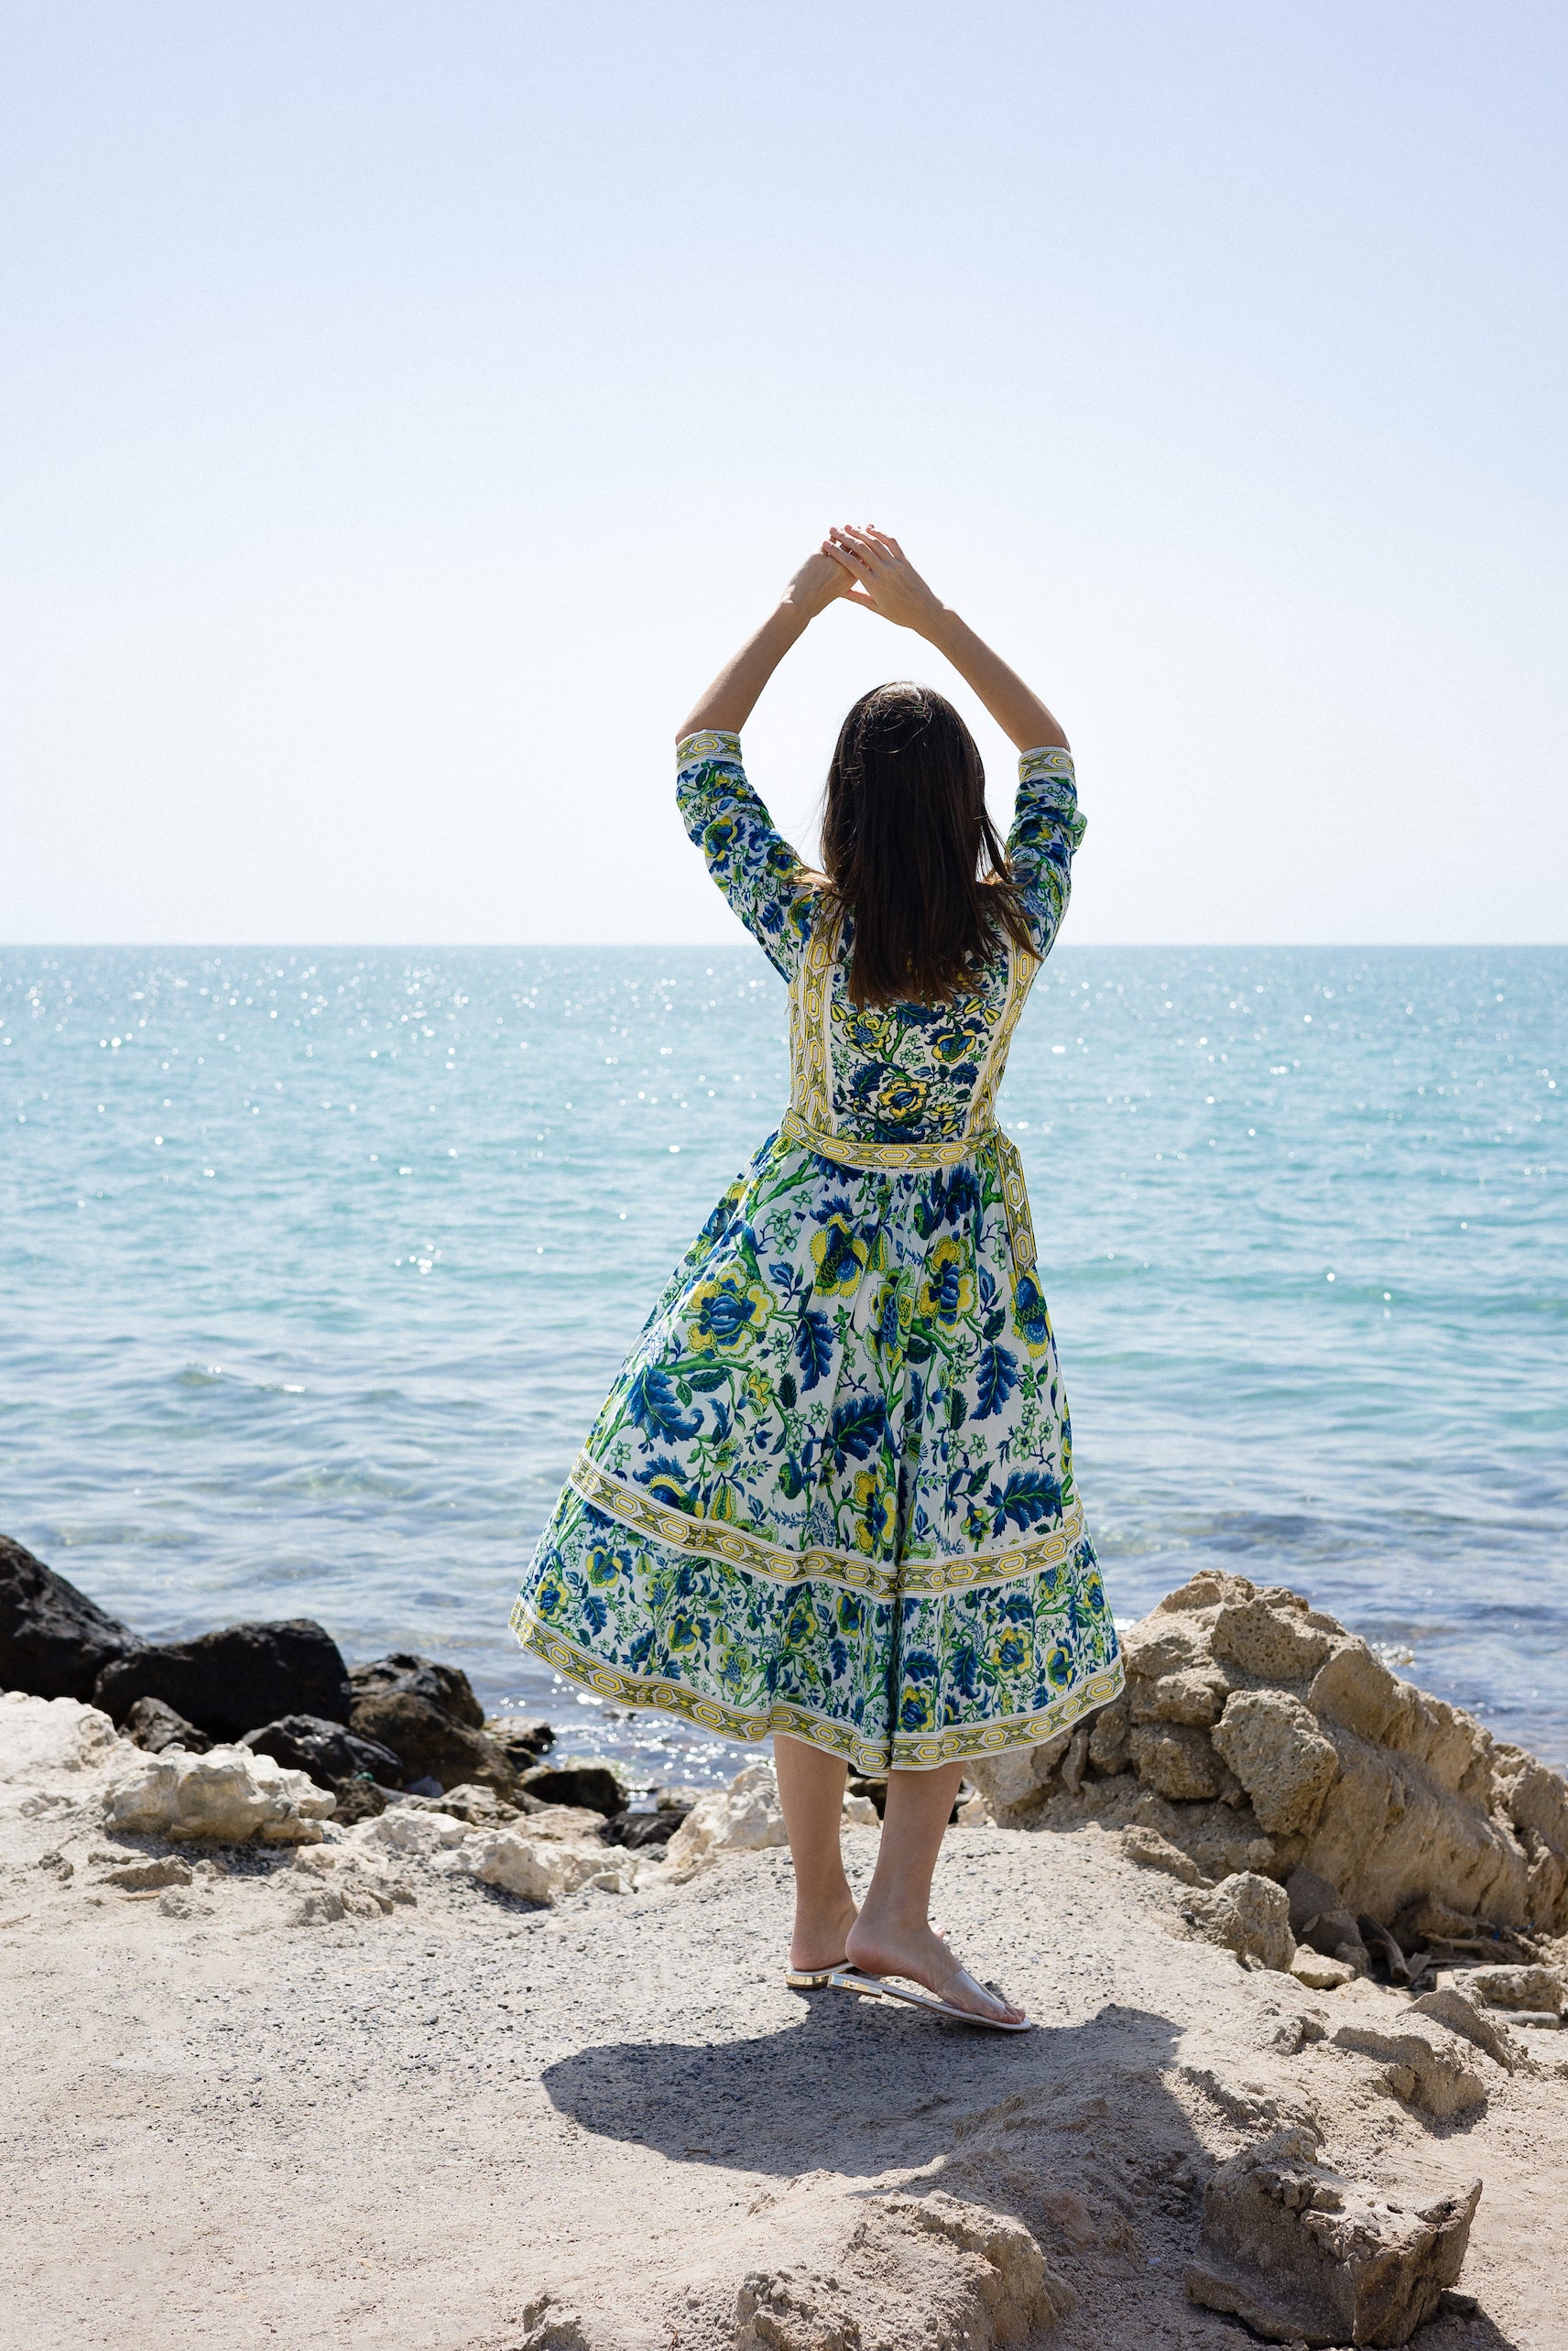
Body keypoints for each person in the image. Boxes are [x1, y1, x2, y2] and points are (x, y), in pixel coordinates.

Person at [512, 526, 1123, 2029]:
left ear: (841, 807)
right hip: (961, 1304)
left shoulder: (810, 929)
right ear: (964, 809)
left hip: (803, 1291)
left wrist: (802, 605)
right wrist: (930, 611)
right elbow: (1055, 754)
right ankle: (897, 1912)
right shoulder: (1012, 931)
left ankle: (819, 1912)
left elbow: (701, 752)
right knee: (939, 1600)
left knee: (810, 1589)